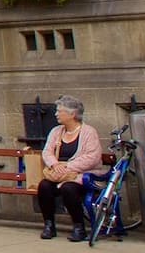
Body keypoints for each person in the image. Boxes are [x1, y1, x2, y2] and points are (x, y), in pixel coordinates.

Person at [38, 95, 100, 242]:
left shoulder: (89, 132)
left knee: (68, 188)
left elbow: (93, 157)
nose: (56, 114)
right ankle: (49, 225)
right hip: (58, 174)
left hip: (81, 175)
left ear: (72, 114)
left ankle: (79, 227)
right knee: (44, 186)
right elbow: (47, 152)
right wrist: (54, 164)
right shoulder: (56, 131)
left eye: (59, 111)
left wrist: (67, 166)